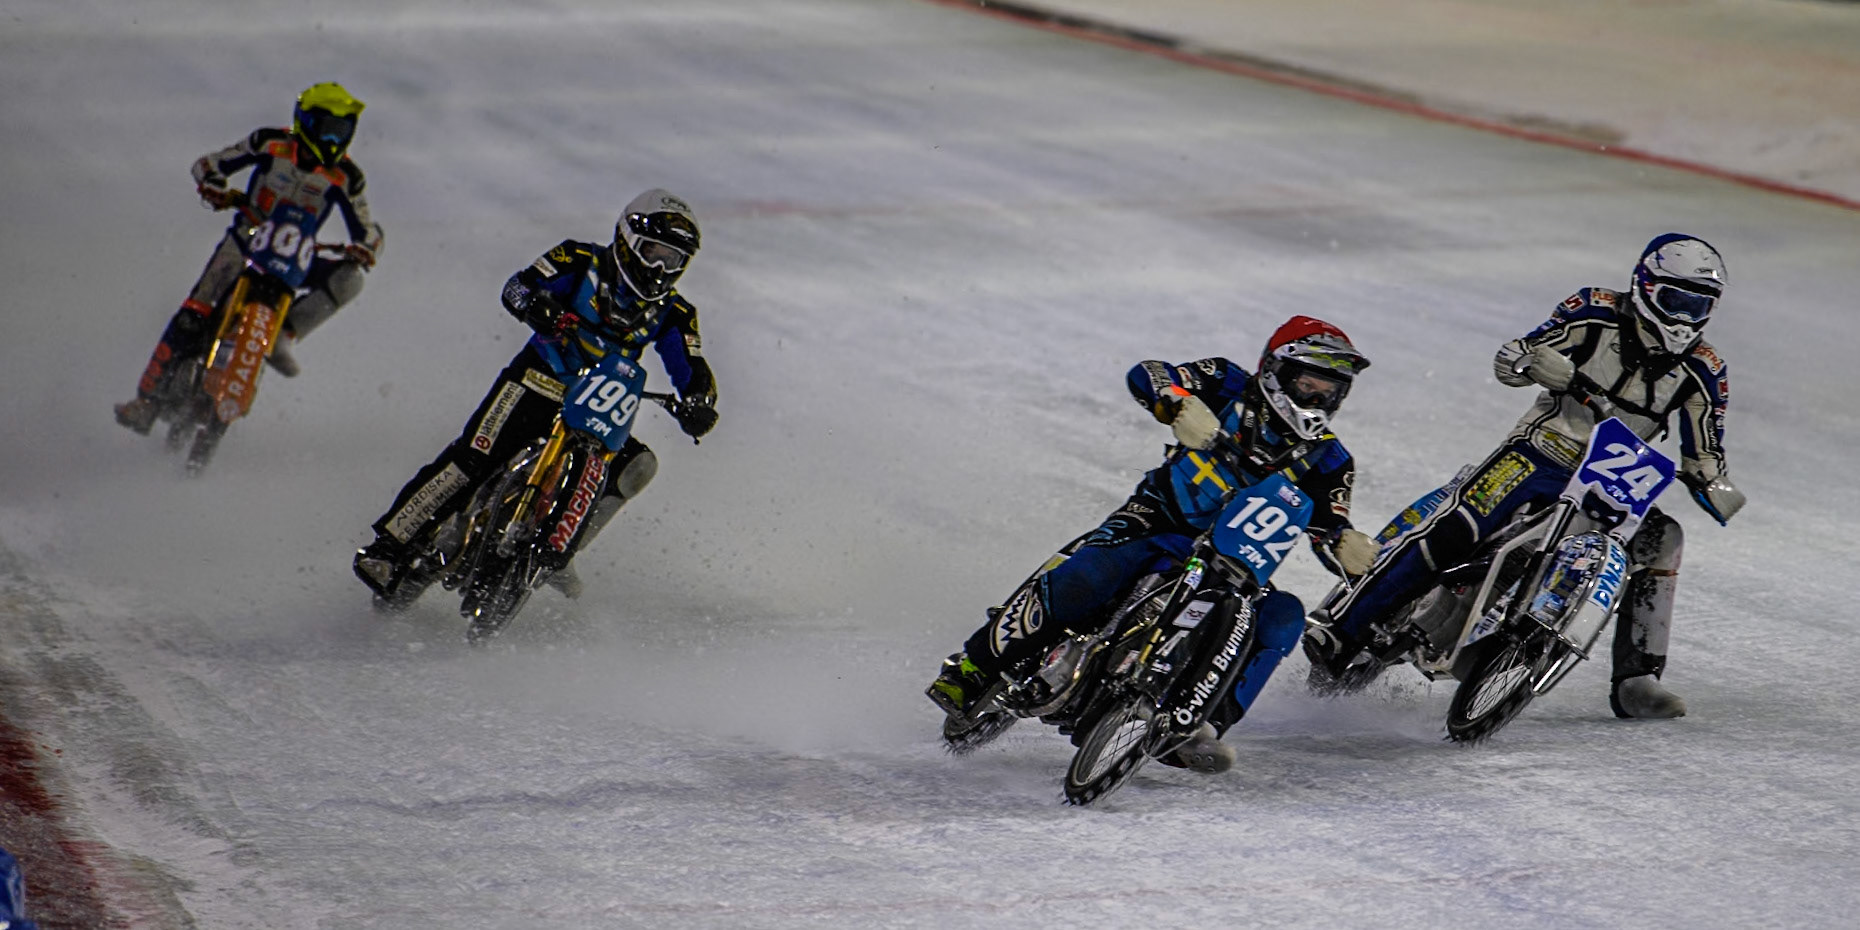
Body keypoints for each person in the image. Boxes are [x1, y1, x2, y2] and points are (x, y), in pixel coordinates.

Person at [1306, 233, 1745, 719]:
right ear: (1645, 287)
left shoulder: (1706, 370)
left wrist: (1709, 479)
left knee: (1663, 539)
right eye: (1675, 301)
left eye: (1698, 306)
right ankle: (1345, 630)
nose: (1684, 318)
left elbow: (1707, 444)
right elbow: (1515, 358)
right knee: (1459, 527)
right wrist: (1536, 362)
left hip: (1617, 480)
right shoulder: (1593, 311)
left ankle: (1637, 678)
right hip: (1542, 451)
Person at [927, 316, 1377, 773]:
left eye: (1331, 391)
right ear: (1276, 371)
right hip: (1157, 519)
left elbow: (1328, 522)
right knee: (1090, 575)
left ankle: (1199, 726)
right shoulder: (1226, 382)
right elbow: (1151, 372)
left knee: (1283, 618)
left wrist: (1344, 545)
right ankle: (975, 667)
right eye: (1309, 385)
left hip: (1235, 560)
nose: (1319, 400)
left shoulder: (1332, 459)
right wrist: (1176, 403)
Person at [353, 188, 716, 605]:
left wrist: (700, 402)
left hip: (598, 410)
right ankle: (390, 546)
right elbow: (517, 286)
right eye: (653, 251)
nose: (658, 267)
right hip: (535, 382)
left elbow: (692, 367)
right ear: (627, 239)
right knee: (474, 458)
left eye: (672, 260)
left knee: (639, 466)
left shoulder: (676, 312)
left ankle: (563, 549)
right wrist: (535, 307)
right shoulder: (578, 259)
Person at [114, 82, 384, 434]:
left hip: (298, 255)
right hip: (246, 241)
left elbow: (369, 230)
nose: (334, 141)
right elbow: (208, 163)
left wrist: (365, 248)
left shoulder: (347, 177)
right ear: (305, 121)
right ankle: (146, 401)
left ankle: (285, 334)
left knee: (351, 279)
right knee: (193, 313)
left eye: (342, 132)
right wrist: (213, 184)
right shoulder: (270, 143)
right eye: (327, 130)